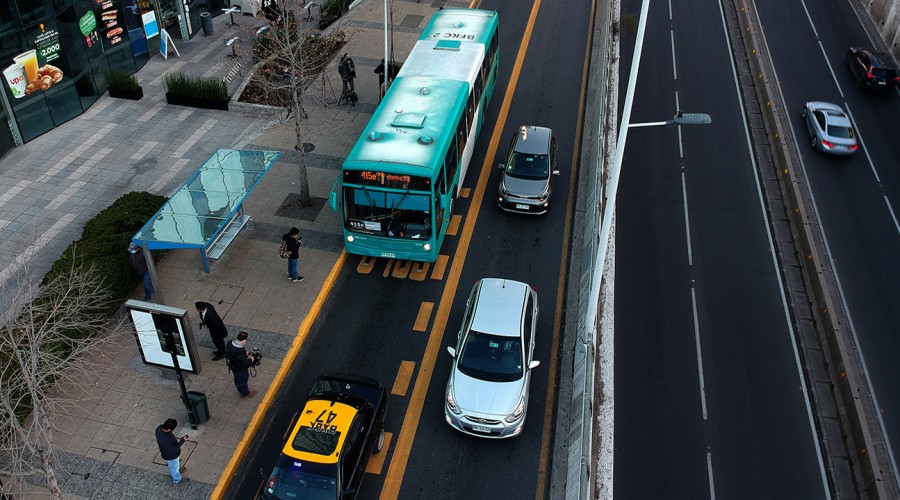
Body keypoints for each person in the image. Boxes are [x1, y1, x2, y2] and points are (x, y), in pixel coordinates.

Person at [155, 419, 189, 487]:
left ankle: (176, 472)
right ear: (169, 430)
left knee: (173, 466)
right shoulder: (165, 440)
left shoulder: (159, 428)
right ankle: (177, 480)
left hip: (166, 453)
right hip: (171, 456)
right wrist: (182, 441)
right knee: (174, 467)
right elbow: (172, 451)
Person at [225, 331, 258, 398]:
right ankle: (246, 394)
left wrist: (244, 354)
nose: (246, 341)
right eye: (246, 340)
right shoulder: (240, 351)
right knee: (243, 380)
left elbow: (234, 355)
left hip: (232, 366)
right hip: (240, 369)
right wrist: (251, 359)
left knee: (236, 378)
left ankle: (239, 389)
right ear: (242, 340)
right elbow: (244, 363)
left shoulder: (230, 343)